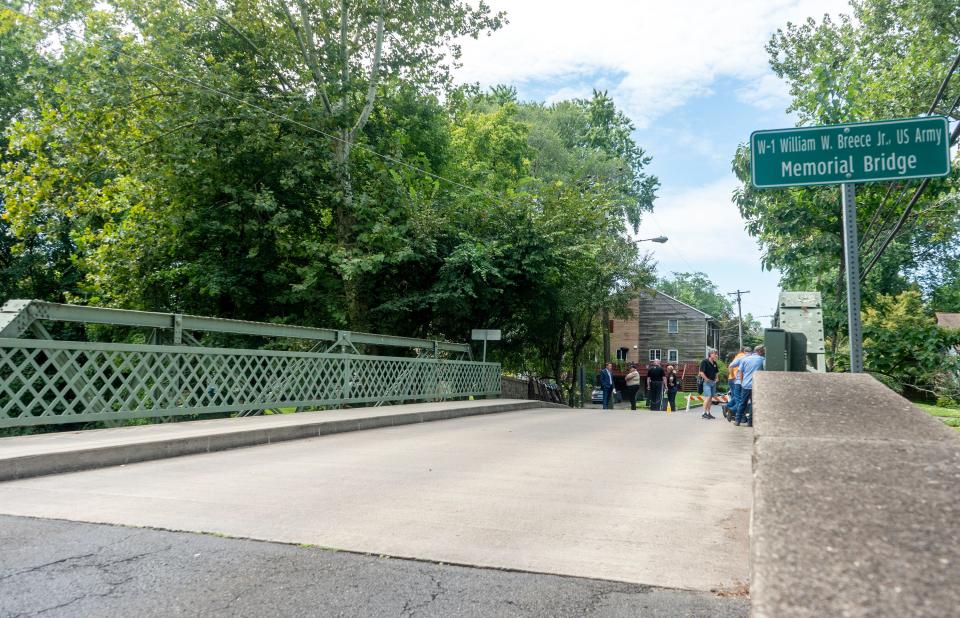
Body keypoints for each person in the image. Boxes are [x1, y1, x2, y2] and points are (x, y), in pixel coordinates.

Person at [727, 346, 765, 427]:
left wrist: (742, 382)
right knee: (752, 404)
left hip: (745, 385)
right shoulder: (762, 359)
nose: (764, 352)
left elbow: (740, 372)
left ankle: (737, 421)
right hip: (756, 385)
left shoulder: (744, 359)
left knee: (742, 403)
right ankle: (750, 422)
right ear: (760, 351)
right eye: (763, 350)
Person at [723, 346, 752, 421]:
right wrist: (733, 376)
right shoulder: (742, 357)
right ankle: (735, 412)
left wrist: (732, 376)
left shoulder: (739, 357)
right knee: (740, 399)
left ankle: (729, 407)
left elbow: (731, 366)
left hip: (736, 380)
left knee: (737, 397)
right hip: (739, 380)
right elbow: (731, 367)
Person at [698, 350, 720, 419]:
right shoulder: (704, 361)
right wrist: (707, 379)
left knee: (710, 398)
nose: (716, 355)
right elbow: (701, 372)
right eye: (715, 354)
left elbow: (716, 372)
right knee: (708, 396)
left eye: (716, 354)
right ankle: (703, 413)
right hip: (706, 382)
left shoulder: (714, 363)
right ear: (710, 354)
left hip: (713, 382)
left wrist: (717, 378)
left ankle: (708, 413)